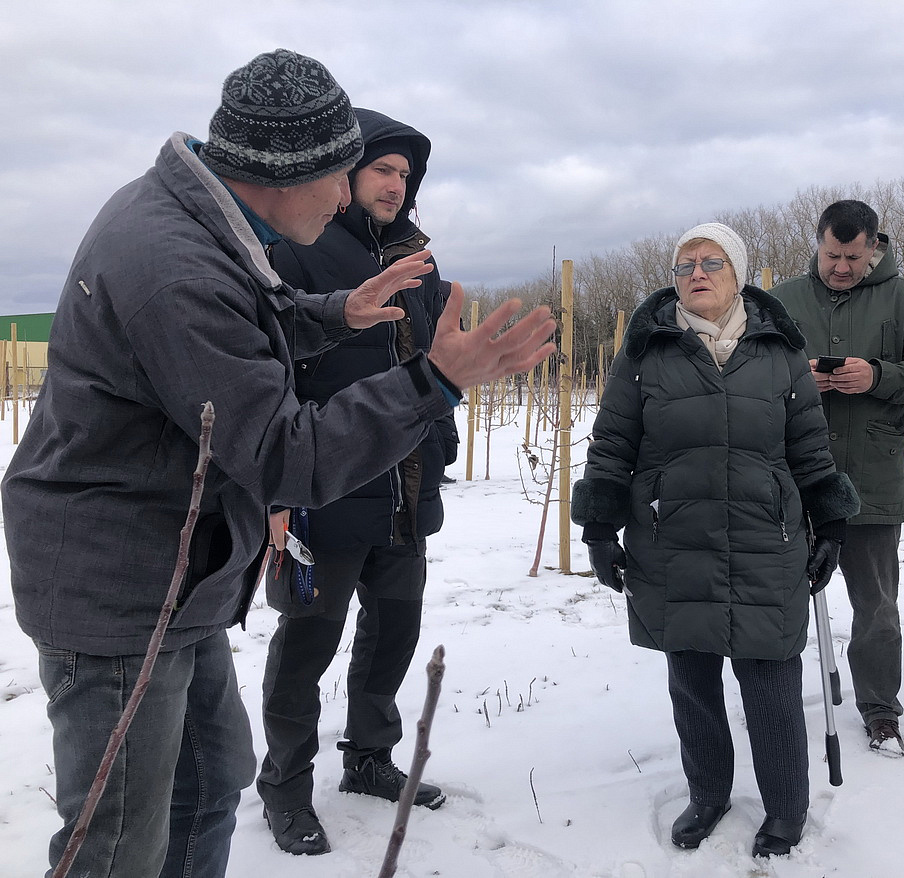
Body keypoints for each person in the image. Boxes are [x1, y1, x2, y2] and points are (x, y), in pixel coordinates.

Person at [1, 49, 556, 878]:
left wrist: (336, 313)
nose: (346, 195)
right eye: (340, 174)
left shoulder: (201, 221)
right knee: (117, 850)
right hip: (120, 590)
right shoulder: (172, 264)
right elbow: (279, 453)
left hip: (173, 573)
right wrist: (434, 382)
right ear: (284, 169)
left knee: (206, 790)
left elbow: (246, 323)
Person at [571, 223, 859, 858]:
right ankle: (708, 795)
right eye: (685, 265)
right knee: (692, 681)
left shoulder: (780, 350)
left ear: (739, 274)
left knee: (771, 683)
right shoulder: (646, 352)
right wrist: (599, 528)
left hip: (765, 536)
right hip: (674, 538)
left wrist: (831, 524)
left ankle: (785, 806)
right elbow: (612, 443)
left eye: (712, 263)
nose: (696, 273)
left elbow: (809, 445)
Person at [256, 108, 456, 855]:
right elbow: (272, 376)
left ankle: (370, 758)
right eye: (382, 169)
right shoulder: (298, 251)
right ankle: (284, 784)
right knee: (308, 641)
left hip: (407, 486)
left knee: (393, 630)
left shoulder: (417, 261)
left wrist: (441, 442)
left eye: (406, 174)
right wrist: (278, 492)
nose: (396, 185)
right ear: (347, 173)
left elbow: (429, 362)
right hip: (326, 487)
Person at [773, 200, 904, 757]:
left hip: (871, 476)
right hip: (794, 477)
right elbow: (749, 368)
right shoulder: (783, 300)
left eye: (852, 257)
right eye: (832, 255)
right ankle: (772, 701)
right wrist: (796, 379)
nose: (841, 267)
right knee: (775, 596)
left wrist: (877, 375)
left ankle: (880, 710)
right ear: (818, 243)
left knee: (876, 606)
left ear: (874, 247)